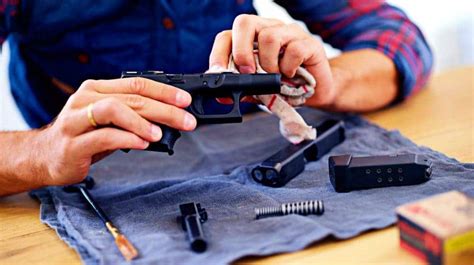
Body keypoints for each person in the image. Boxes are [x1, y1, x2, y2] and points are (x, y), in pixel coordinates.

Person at [0, 0, 433, 196]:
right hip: (91, 182)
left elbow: (399, 40)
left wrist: (326, 82)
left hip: (253, 149)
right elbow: (36, 156)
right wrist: (39, 153)